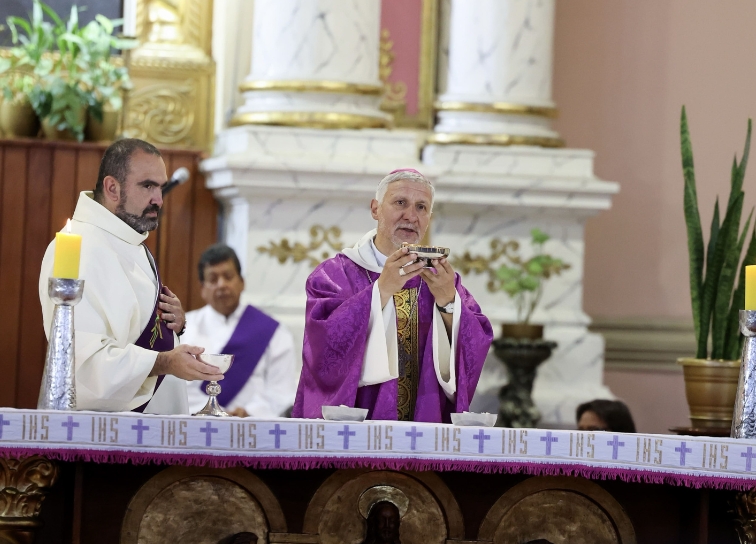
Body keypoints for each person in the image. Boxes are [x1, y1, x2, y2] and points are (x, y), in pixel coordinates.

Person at [293, 169, 493, 422]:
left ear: (429, 218)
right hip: (356, 428)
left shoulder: (440, 279)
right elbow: (321, 350)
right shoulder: (335, 275)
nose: (411, 216)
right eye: (400, 203)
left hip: (423, 427)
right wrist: (381, 291)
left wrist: (448, 303)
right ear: (375, 209)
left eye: (421, 207)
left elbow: (477, 342)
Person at [39, 138, 221, 413]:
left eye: (160, 187)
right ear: (112, 187)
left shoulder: (129, 241)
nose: (158, 199)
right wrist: (165, 362)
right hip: (106, 442)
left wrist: (175, 325)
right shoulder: (78, 247)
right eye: (148, 186)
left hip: (157, 430)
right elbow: (84, 367)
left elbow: (136, 326)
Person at [182, 244, 296, 418]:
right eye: (213, 279)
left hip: (253, 428)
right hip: (197, 424)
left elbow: (281, 390)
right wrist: (209, 413)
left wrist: (249, 412)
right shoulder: (184, 329)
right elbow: (176, 386)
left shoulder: (273, 332)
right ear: (202, 289)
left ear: (242, 282)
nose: (222, 285)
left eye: (228, 277)